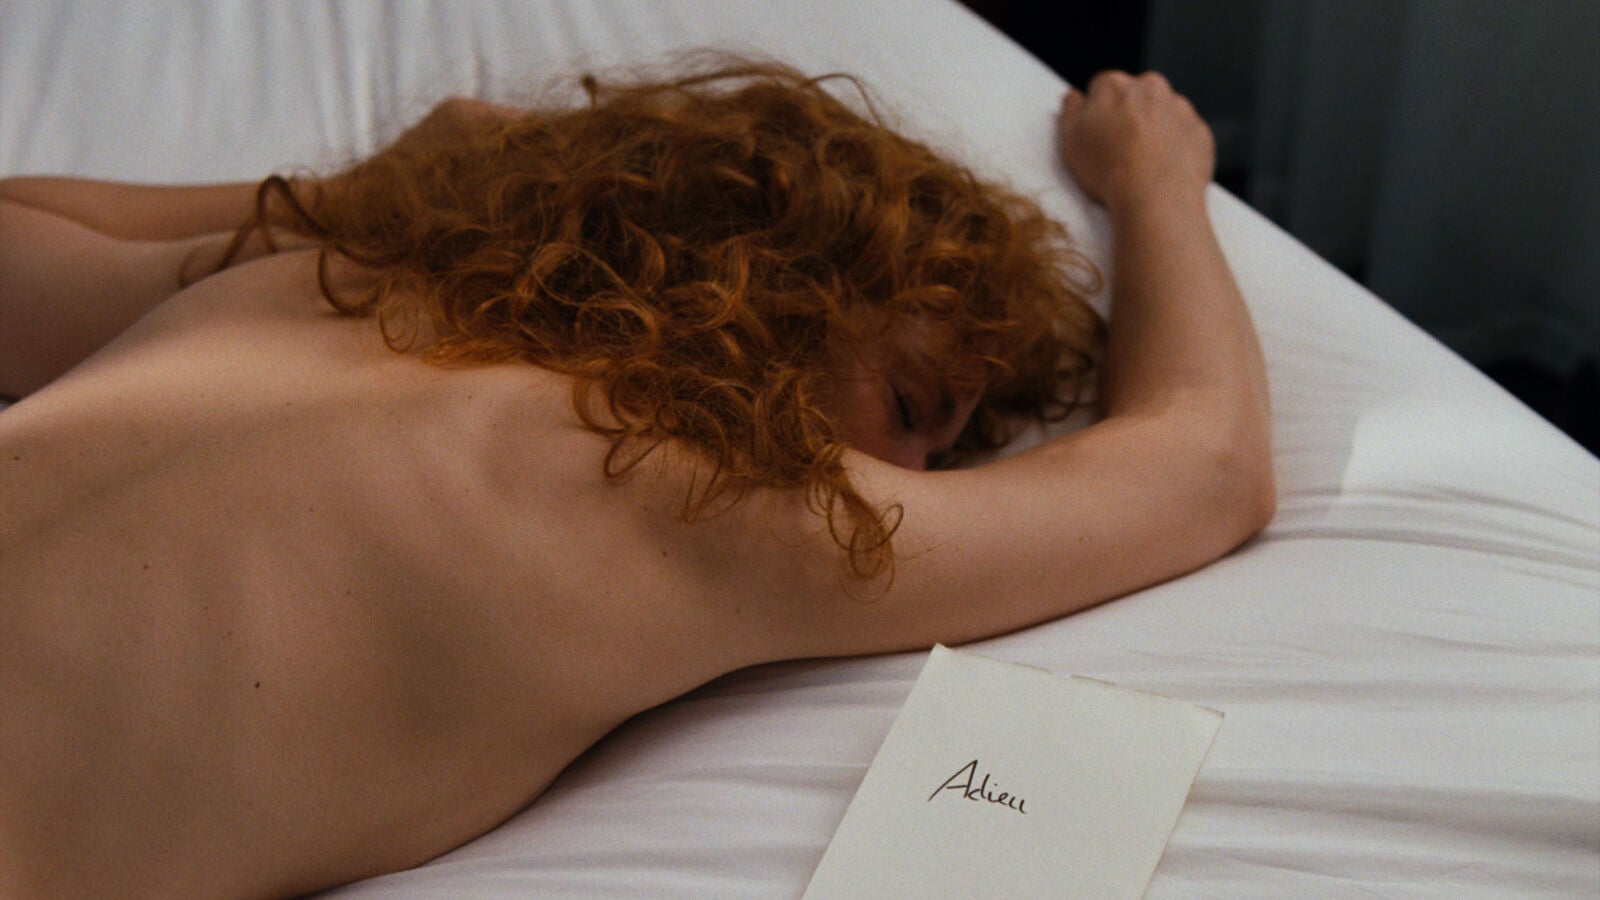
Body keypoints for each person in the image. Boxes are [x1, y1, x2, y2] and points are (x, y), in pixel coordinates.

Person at [0, 62, 1273, 897]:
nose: (910, 472)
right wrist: (1159, 180)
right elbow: (1203, 462)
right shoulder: (683, 490)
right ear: (779, 287)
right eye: (909, 407)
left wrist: (365, 198)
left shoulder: (329, 284)